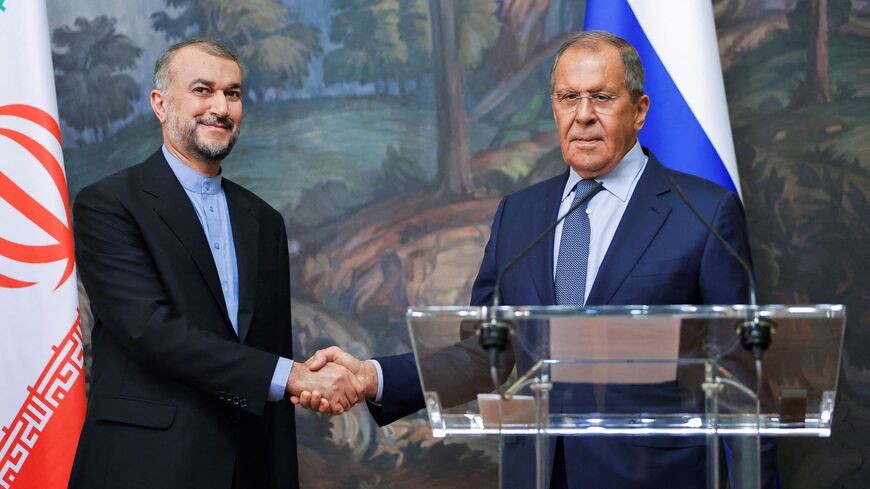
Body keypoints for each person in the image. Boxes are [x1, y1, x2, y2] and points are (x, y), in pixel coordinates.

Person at [294, 31, 777, 488]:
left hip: (652, 476)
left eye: (602, 97)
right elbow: (488, 352)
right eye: (569, 98)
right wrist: (372, 376)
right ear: (554, 108)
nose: (583, 115)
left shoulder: (703, 212)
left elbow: (741, 377)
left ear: (640, 110)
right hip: (536, 473)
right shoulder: (520, 215)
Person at [68, 39, 364, 489]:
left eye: (233, 93)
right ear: (161, 104)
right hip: (144, 466)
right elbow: (149, 328)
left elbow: (270, 347)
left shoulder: (264, 221)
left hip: (248, 467)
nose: (220, 107)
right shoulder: (108, 205)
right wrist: (293, 376)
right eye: (203, 90)